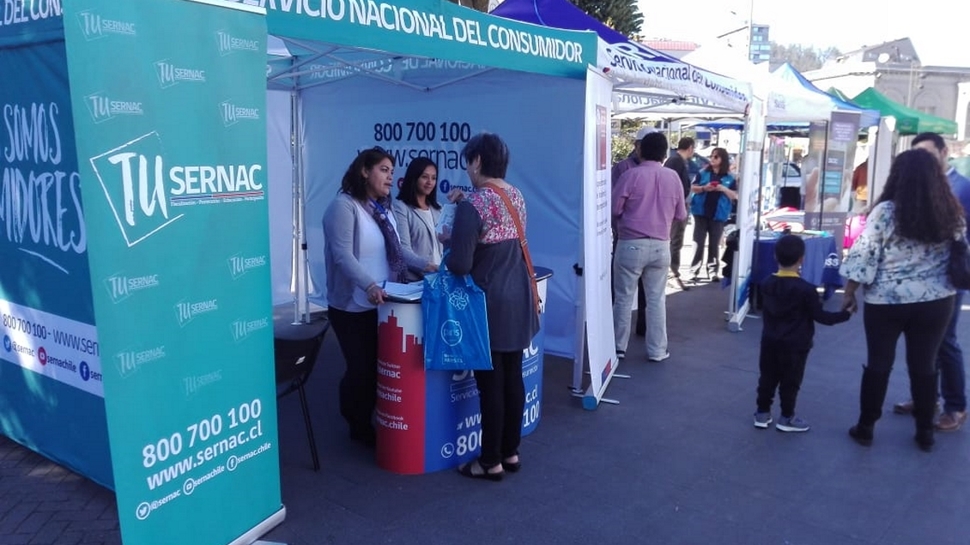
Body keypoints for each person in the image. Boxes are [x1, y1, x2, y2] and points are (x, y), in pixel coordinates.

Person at [840, 148, 965, 452]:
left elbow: (864, 253)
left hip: (886, 301)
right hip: (937, 301)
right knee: (924, 365)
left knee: (879, 363)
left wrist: (850, 292)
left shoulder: (885, 212)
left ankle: (866, 426)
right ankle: (925, 432)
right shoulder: (951, 211)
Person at [322, 148, 436, 447]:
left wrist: (427, 265)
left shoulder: (383, 209)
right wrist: (370, 285)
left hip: (385, 303)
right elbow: (343, 256)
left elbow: (401, 252)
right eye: (384, 170)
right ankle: (355, 421)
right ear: (364, 171)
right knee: (361, 369)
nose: (390, 176)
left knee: (377, 367)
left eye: (391, 170)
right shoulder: (343, 207)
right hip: (352, 305)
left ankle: (369, 416)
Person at [447, 133, 539, 481]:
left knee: (491, 385)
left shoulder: (474, 203)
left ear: (478, 161)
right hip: (518, 297)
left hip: (488, 303)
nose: (467, 169)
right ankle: (510, 452)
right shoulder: (516, 196)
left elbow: (459, 264)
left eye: (468, 161)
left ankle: (490, 461)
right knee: (513, 378)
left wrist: (451, 235)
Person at [891, 132, 970, 432]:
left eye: (926, 153)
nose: (922, 160)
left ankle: (956, 406)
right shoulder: (926, 185)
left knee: (945, 342)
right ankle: (926, 399)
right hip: (925, 281)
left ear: (944, 152)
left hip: (950, 279)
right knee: (927, 344)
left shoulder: (962, 187)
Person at [754, 235, 852, 432]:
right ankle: (787, 417)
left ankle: (762, 412)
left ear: (775, 256)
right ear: (802, 259)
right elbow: (821, 317)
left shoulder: (766, 283)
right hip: (796, 346)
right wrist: (845, 315)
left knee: (767, 377)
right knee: (791, 381)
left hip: (770, 341)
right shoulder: (807, 290)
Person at [611, 132, 687, 363]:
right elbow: (681, 214)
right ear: (665, 153)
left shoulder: (630, 175)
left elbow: (614, 209)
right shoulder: (673, 177)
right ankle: (657, 350)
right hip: (661, 246)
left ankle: (617, 347)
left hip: (630, 244)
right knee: (656, 300)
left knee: (623, 298)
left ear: (640, 150)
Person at [689, 147, 737, 282]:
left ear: (723, 159)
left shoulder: (729, 177)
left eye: (716, 157)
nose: (712, 159)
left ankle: (713, 271)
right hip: (700, 212)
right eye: (711, 156)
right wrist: (705, 188)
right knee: (698, 242)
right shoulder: (702, 173)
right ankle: (694, 271)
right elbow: (692, 188)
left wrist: (723, 188)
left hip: (718, 214)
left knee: (714, 243)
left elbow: (735, 196)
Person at [392, 157, 443, 280]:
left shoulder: (438, 208)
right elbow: (403, 251)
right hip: (416, 282)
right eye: (425, 177)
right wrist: (428, 266)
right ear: (414, 178)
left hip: (439, 280)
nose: (430, 182)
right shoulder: (401, 208)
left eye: (433, 178)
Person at [663, 137, 694, 291]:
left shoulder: (676, 161)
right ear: (690, 148)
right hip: (675, 207)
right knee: (675, 240)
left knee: (675, 240)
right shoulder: (676, 161)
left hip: (676, 206)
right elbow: (675, 186)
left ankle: (672, 272)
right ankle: (672, 273)